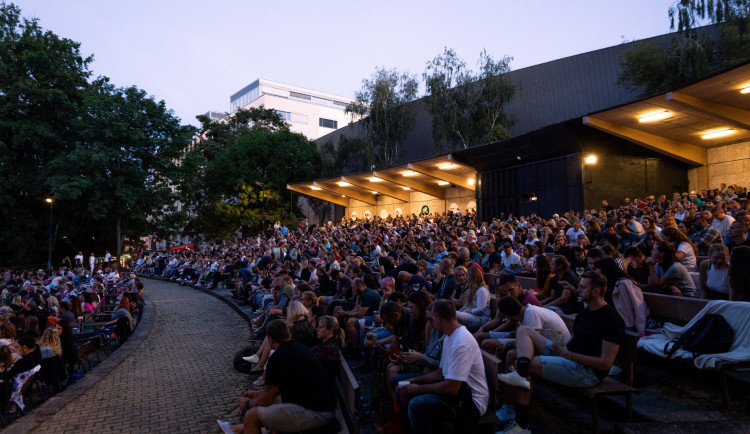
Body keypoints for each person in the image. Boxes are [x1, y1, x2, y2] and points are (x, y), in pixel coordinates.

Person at [497, 272, 624, 434]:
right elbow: (577, 342)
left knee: (526, 365)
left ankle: (522, 426)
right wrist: (562, 350)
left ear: (596, 291)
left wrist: (568, 355)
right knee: (523, 330)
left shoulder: (610, 320)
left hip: (586, 371)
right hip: (569, 356)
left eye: (583, 287)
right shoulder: (586, 313)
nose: (578, 290)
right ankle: (519, 380)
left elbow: (605, 363)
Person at [217, 320, 336, 434]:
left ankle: (238, 429)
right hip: (322, 407)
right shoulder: (297, 348)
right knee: (274, 405)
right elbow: (274, 391)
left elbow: (265, 400)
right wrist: (257, 394)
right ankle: (237, 429)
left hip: (316, 413)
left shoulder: (277, 357)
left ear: (270, 339)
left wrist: (247, 404)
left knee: (251, 416)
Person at [399, 300, 489, 433]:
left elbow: (452, 387)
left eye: (430, 319)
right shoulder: (449, 336)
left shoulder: (461, 342)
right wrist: (414, 381)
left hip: (471, 401)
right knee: (402, 388)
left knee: (416, 405)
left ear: (439, 319)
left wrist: (418, 389)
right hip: (459, 393)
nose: (429, 324)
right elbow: (441, 372)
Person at [593, 258, 649, 336]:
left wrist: (639, 329)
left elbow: (637, 305)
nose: (596, 271)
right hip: (611, 321)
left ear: (605, 269)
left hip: (626, 324)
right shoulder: (605, 284)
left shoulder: (623, 283)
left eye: (597, 268)